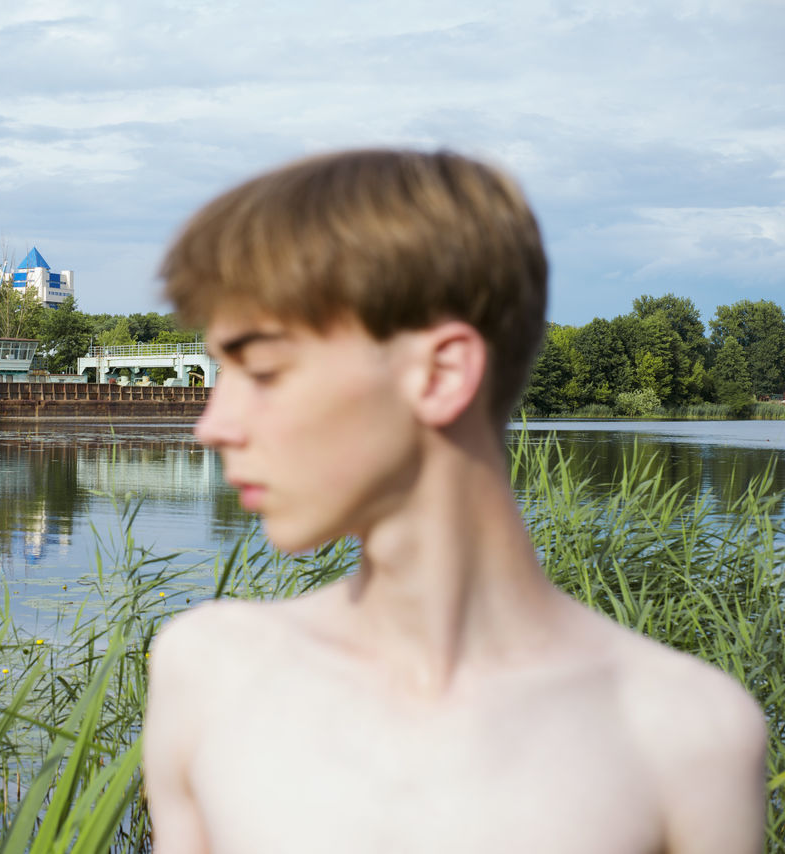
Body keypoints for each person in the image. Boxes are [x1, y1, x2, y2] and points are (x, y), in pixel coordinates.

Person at [142, 150, 766, 853]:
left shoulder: (687, 736)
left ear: (441, 374)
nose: (212, 425)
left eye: (262, 370)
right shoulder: (210, 674)